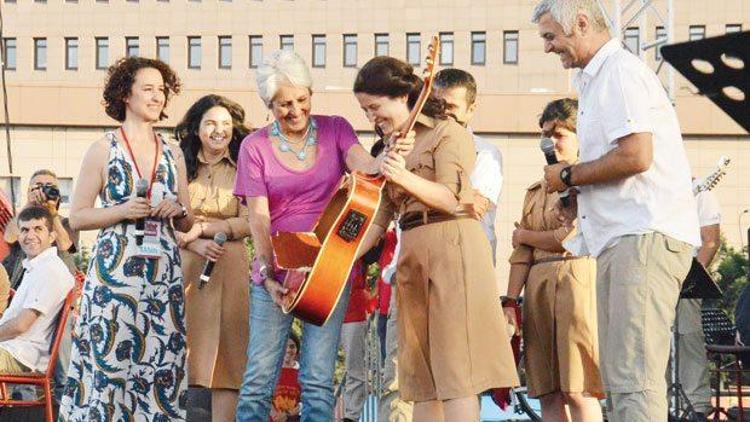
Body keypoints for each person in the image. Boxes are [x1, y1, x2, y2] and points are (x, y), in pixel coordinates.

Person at [532, 1, 701, 420]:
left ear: (583, 23)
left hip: (641, 236)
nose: (550, 48)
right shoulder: (597, 80)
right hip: (623, 239)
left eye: (551, 36)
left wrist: (569, 176)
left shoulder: (619, 73)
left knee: (633, 378)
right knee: (623, 376)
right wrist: (578, 197)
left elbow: (636, 156)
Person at [233, 49, 412, 421]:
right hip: (275, 267)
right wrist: (268, 277)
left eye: (302, 99)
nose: (295, 110)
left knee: (317, 378)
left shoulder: (336, 128)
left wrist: (389, 154)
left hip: (327, 268)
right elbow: (259, 220)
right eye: (283, 104)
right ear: (269, 104)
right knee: (259, 379)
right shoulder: (254, 146)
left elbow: (366, 166)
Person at [353, 56, 518, 421]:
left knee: (457, 372)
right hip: (411, 252)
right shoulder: (391, 146)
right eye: (364, 110)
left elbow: (453, 197)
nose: (370, 118)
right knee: (420, 377)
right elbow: (380, 219)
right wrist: (339, 259)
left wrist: (403, 176)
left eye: (375, 107)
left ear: (402, 96)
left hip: (452, 243)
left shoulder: (448, 132)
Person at [59, 56, 194, 421]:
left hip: (161, 281)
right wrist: (122, 211)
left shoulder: (173, 151)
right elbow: (78, 216)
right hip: (114, 280)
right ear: (125, 95)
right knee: (108, 370)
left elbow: (187, 221)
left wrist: (177, 210)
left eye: (162, 91)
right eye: (148, 89)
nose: (157, 97)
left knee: (160, 367)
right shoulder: (103, 148)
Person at [504, 98, 603, 422]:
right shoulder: (535, 191)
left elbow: (569, 237)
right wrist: (510, 300)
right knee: (546, 388)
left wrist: (526, 236)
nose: (550, 142)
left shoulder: (590, 181)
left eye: (559, 134)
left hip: (577, 280)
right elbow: (521, 255)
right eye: (545, 134)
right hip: (538, 287)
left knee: (578, 387)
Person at [174, 94, 252, 422]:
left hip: (230, 266)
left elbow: (249, 221)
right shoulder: (178, 164)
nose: (218, 131)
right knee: (180, 355)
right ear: (196, 128)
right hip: (183, 264)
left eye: (225, 124)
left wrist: (205, 228)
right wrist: (194, 244)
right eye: (210, 123)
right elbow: (165, 218)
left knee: (228, 362)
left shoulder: (245, 166)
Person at [432, 68, 503, 259]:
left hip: (468, 255)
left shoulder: (486, 153)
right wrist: (457, 198)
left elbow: (474, 207)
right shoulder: (416, 147)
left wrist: (420, 194)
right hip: (422, 255)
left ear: (470, 110)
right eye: (437, 104)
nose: (444, 112)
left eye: (451, 106)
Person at [0, 206, 74, 377]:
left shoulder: (49, 270)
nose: (30, 236)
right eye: (25, 230)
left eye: (38, 229)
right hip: (12, 348)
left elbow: (20, 325)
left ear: (52, 236)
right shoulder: (37, 267)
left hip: (21, 354)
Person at [672, 181, 721, 419]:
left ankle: (697, 404)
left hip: (686, 274)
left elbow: (711, 240)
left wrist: (693, 277)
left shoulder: (700, 191)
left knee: (688, 336)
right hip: (651, 274)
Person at [3, 169, 78, 288]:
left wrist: (52, 212)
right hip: (18, 283)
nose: (43, 191)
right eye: (38, 187)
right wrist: (29, 204)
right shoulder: (22, 220)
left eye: (49, 187)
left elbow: (68, 250)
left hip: (53, 285)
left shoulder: (66, 223)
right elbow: (9, 237)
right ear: (29, 192)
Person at [270, 333, 302, 422]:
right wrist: (275, 414)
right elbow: (263, 395)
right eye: (284, 346)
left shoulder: (303, 373)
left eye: (292, 347)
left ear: (297, 349)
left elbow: (306, 401)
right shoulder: (270, 371)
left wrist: (287, 415)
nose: (288, 350)